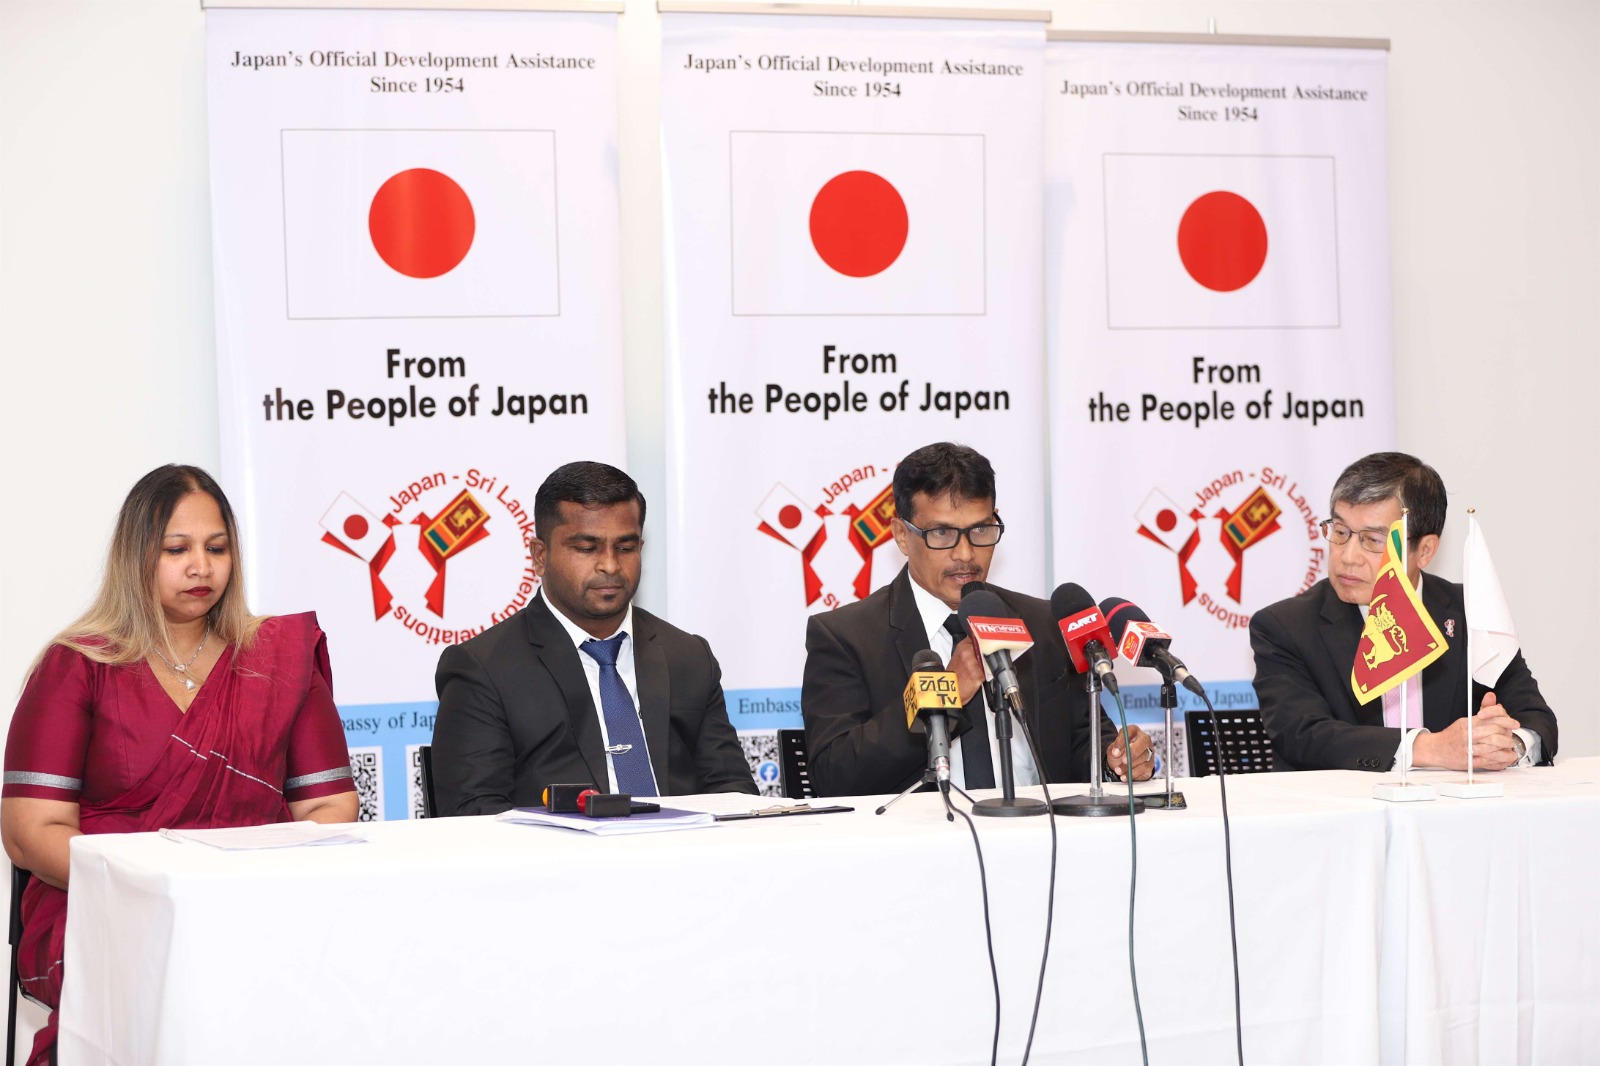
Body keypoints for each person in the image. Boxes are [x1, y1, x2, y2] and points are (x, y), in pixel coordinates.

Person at [1, 465, 357, 1066]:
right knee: (168, 973)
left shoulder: (278, 659)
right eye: (177, 550)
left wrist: (240, 885)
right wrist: (154, 886)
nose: (201, 567)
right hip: (108, 903)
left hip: (254, 900)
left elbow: (329, 806)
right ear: (136, 556)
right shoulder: (78, 664)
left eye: (216, 549)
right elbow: (30, 830)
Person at [801, 442, 1154, 797]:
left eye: (981, 531)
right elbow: (834, 776)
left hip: (1040, 825)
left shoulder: (1042, 623)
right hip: (920, 829)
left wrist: (1116, 760)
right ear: (901, 535)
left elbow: (1082, 742)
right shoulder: (844, 637)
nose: (966, 553)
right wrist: (945, 692)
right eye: (942, 533)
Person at [432, 461, 757, 814]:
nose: (610, 566)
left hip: (684, 845)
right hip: (558, 849)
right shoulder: (483, 669)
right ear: (540, 556)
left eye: (626, 548)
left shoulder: (688, 656)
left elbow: (734, 793)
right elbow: (474, 813)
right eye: (587, 548)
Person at [1251, 451, 1557, 772]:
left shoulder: (1469, 611)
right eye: (1340, 532)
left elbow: (1536, 717)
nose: (1348, 556)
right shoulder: (1285, 627)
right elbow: (1303, 736)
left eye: (1372, 540)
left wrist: (1506, 744)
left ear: (1424, 550)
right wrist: (1429, 748)